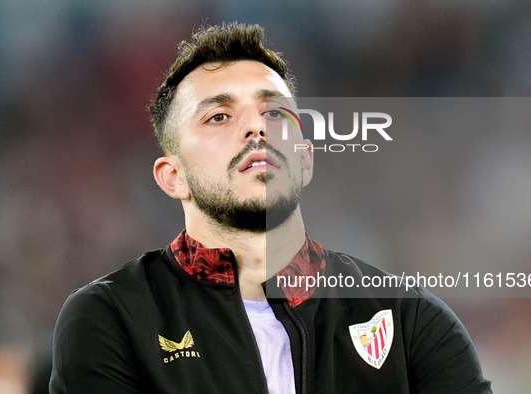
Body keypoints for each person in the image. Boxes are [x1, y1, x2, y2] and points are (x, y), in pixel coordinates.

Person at [49, 23, 492, 393]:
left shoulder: (410, 319)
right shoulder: (111, 319)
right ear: (173, 176)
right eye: (219, 117)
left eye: (276, 114)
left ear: (304, 160)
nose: (257, 129)